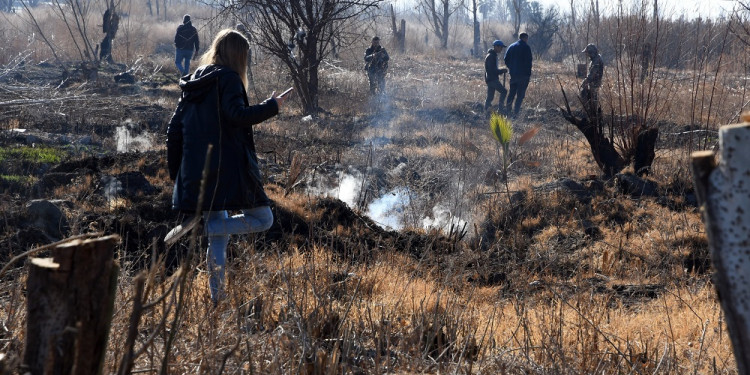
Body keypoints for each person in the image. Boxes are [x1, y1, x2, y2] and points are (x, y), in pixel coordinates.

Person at [165, 29, 290, 304]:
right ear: (238, 55)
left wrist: (178, 176)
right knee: (263, 219)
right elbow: (237, 116)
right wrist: (272, 106)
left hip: (196, 172)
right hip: (225, 171)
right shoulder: (229, 79)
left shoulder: (195, 81)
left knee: (219, 235)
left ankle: (217, 300)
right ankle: (202, 231)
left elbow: (173, 131)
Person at [503, 32, 533, 117]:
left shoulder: (511, 46)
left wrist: (511, 68)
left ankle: (508, 111)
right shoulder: (526, 47)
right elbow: (529, 62)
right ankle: (516, 112)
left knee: (512, 93)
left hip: (513, 75)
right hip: (523, 76)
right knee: (520, 95)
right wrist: (528, 74)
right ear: (525, 38)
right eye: (527, 39)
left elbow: (506, 59)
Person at [484, 40, 508, 113]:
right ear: (496, 47)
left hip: (490, 79)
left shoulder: (492, 55)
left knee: (490, 97)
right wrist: (501, 71)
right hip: (492, 79)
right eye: (501, 47)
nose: (501, 49)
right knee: (504, 91)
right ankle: (500, 109)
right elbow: (492, 70)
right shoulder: (491, 56)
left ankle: (486, 110)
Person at [580, 43, 603, 120]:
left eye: (587, 53)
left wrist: (586, 81)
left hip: (594, 84)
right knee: (592, 101)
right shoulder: (595, 59)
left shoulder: (596, 60)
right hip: (593, 84)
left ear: (591, 52)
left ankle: (592, 118)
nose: (586, 55)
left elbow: (593, 73)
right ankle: (591, 117)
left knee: (593, 102)